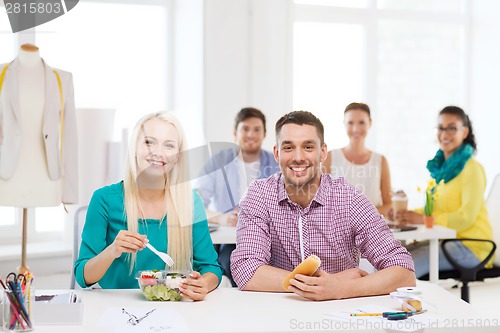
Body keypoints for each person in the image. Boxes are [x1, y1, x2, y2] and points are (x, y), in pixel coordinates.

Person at [230, 111, 415, 301]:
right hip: (278, 311)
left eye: (308, 147)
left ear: (323, 152)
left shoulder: (350, 199)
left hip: (339, 314)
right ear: (277, 153)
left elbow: (404, 272)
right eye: (288, 148)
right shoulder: (258, 195)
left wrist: (341, 288)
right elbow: (245, 269)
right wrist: (324, 284)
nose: (298, 157)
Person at [74, 112, 222, 300]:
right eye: (149, 142)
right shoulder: (104, 199)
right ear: (134, 148)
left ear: (177, 156)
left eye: (168, 145)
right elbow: (83, 276)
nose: (158, 152)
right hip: (113, 306)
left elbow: (211, 267)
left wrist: (203, 285)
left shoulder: (190, 202)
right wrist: (113, 250)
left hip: (170, 305)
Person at [390, 106, 494, 278]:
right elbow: (432, 210)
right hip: (444, 241)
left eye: (452, 128)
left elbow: (465, 217)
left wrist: (423, 220)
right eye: (440, 128)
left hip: (471, 247)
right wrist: (406, 215)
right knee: (391, 257)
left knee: (400, 269)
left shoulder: (473, 169)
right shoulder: (439, 172)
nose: (445, 134)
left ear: (465, 132)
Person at [194, 107, 279, 286]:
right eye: (245, 129)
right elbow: (195, 205)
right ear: (235, 133)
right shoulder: (217, 162)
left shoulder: (276, 163)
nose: (251, 134)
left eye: (257, 129)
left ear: (264, 134)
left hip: (269, 241)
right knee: (231, 265)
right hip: (229, 242)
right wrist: (223, 218)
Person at [0, 43, 78, 206]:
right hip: (6, 176)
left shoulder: (62, 79)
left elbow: (69, 138)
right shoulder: (2, 75)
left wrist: (70, 192)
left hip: (46, 180)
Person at [322, 102, 391, 216]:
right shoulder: (329, 157)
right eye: (350, 123)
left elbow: (388, 205)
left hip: (372, 229)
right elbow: (322, 202)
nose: (356, 128)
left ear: (370, 123)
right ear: (344, 124)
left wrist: (361, 217)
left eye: (361, 122)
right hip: (340, 230)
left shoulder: (380, 161)